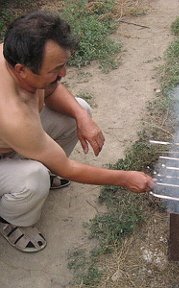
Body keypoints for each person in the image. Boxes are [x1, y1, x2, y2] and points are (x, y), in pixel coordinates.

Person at [0, 11, 154, 253]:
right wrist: (125, 178)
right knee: (34, 177)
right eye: (56, 69)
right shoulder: (12, 115)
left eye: (64, 65)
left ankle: (34, 169)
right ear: (22, 70)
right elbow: (68, 169)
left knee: (80, 109)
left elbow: (51, 90)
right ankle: (11, 219)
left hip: (17, 140)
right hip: (12, 141)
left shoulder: (11, 52)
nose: (64, 74)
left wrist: (82, 118)